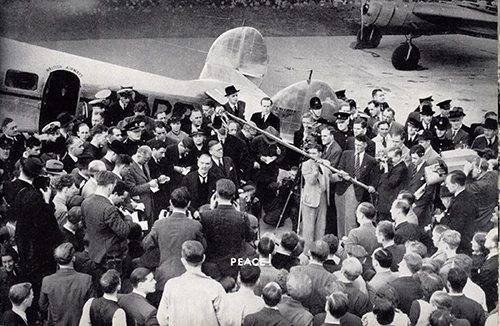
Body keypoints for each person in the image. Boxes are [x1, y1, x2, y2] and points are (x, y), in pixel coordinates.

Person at [10, 156, 62, 315]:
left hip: (22, 240)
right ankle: (38, 312)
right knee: (37, 282)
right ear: (36, 174)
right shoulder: (34, 195)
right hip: (36, 249)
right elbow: (46, 225)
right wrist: (46, 202)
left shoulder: (10, 186)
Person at [142, 187, 204, 291]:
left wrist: (158, 222)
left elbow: (146, 245)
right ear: (188, 204)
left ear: (170, 202)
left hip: (164, 278)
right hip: (188, 278)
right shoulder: (195, 225)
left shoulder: (159, 224)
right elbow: (203, 247)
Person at [157, 240, 229, 326]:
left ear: (183, 261)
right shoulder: (215, 286)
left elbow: (162, 319)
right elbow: (227, 321)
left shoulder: (171, 285)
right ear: (203, 258)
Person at [81, 171, 133, 277]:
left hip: (94, 252)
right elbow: (124, 231)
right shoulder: (108, 208)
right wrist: (128, 217)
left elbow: (84, 225)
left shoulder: (86, 202)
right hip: (110, 256)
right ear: (110, 186)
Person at [200, 179, 252, 279]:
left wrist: (211, 209)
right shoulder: (241, 217)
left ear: (216, 195)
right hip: (234, 265)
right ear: (233, 195)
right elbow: (249, 237)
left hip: (212, 265)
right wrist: (240, 213)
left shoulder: (205, 216)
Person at [333, 134, 379, 238]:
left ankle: (350, 241)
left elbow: (374, 177)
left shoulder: (371, 160)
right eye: (356, 144)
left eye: (360, 145)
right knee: (340, 218)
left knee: (350, 219)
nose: (357, 147)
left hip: (356, 192)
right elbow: (340, 167)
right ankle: (341, 241)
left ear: (365, 145)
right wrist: (342, 174)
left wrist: (372, 186)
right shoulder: (346, 154)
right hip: (342, 190)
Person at [39, 243, 94, 326]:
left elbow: (43, 306)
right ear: (73, 258)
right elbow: (92, 307)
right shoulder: (86, 279)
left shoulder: (47, 281)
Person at [290, 240, 337, 315]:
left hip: (296, 314)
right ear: (327, 257)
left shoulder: (296, 270)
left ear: (309, 253)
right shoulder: (331, 278)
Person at [438, 170, 478, 254]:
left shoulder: (460, 203)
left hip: (461, 242)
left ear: (456, 185)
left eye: (448, 184)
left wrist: (441, 218)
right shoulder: (470, 195)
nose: (447, 186)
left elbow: (455, 226)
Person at [301, 144, 331, 246]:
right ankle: (307, 252)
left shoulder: (326, 163)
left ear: (320, 153)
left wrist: (341, 176)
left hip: (323, 198)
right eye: (310, 153)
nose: (311, 155)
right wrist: (315, 170)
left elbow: (329, 178)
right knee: (309, 229)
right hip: (310, 200)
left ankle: (318, 250)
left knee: (321, 227)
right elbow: (311, 181)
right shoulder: (306, 165)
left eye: (314, 153)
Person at [124, 145, 160, 226]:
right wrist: (149, 185)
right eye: (145, 160)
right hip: (139, 205)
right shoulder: (129, 167)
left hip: (149, 202)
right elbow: (132, 189)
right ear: (139, 155)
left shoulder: (144, 164)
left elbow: (147, 178)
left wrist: (155, 181)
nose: (146, 162)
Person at [463, 157, 497, 232]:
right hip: (489, 216)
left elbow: (463, 190)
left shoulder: (480, 185)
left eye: (473, 169)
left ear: (479, 170)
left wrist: (465, 173)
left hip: (481, 220)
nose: (471, 171)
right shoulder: (493, 176)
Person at [376, 147, 409, 221]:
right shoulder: (394, 165)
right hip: (384, 202)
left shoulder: (401, 169)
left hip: (389, 203)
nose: (389, 160)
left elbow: (389, 184)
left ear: (398, 157)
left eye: (391, 158)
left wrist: (386, 170)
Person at [476, 228, 498, 312]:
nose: (485, 238)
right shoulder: (491, 257)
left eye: (488, 237)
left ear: (493, 244)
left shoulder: (489, 267)